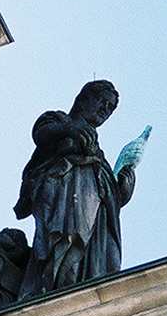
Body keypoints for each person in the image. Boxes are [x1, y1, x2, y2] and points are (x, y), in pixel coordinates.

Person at [14, 78, 136, 299]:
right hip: (64, 196)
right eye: (102, 101)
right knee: (65, 242)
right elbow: (40, 133)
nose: (105, 109)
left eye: (110, 108)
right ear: (83, 100)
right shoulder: (59, 120)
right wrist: (69, 129)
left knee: (106, 258)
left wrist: (122, 192)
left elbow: (105, 194)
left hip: (94, 219)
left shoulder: (98, 154)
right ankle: (52, 290)